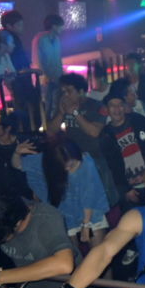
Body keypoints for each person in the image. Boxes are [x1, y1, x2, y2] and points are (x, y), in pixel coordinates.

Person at [16, 138, 110, 248]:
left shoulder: (86, 162)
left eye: (72, 165)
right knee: (71, 254)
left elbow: (89, 194)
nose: (67, 169)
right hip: (66, 214)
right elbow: (18, 165)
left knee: (98, 251)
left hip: (91, 214)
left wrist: (86, 224)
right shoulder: (47, 160)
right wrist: (16, 153)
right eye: (63, 166)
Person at [47, 73, 118, 207]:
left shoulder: (96, 106)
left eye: (69, 91)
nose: (65, 95)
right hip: (74, 159)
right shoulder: (64, 108)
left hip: (95, 158)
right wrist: (61, 113)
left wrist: (75, 113)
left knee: (104, 198)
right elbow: (50, 130)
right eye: (63, 91)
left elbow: (94, 132)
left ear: (80, 92)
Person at [101, 93, 145, 211]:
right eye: (112, 106)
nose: (117, 109)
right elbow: (113, 166)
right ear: (106, 109)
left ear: (124, 106)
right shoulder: (106, 135)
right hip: (132, 190)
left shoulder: (138, 121)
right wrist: (126, 189)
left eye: (120, 105)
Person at [1, 10, 41, 131]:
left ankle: (29, 132)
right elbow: (16, 64)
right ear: (9, 26)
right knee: (25, 107)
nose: (22, 27)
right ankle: (29, 134)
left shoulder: (10, 38)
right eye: (19, 25)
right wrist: (31, 70)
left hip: (20, 78)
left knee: (26, 107)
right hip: (19, 79)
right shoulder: (9, 39)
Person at [32, 14, 64, 119]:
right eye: (61, 26)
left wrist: (62, 73)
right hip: (45, 78)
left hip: (57, 76)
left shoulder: (57, 39)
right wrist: (44, 75)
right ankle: (46, 125)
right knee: (46, 104)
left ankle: (54, 126)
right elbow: (37, 59)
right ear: (54, 26)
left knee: (56, 104)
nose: (62, 29)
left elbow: (58, 58)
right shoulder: (40, 38)